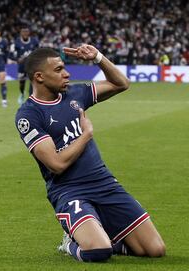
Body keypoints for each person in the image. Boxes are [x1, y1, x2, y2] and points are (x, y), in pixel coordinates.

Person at [15, 45, 165, 262]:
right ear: (39, 77)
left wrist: (98, 57)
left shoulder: (75, 94)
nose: (66, 74)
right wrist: (86, 135)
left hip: (104, 183)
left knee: (155, 250)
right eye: (58, 70)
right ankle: (70, 243)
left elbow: (121, 83)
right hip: (70, 191)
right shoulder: (29, 115)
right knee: (98, 252)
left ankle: (102, 235)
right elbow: (56, 164)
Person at [10, 25, 39, 105]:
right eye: (23, 31)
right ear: (21, 33)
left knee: (33, 81)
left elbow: (38, 51)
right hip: (22, 66)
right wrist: (17, 59)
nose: (25, 33)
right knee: (22, 82)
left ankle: (31, 98)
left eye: (26, 31)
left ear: (29, 32)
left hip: (32, 65)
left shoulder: (34, 41)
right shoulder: (16, 42)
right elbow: (11, 54)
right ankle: (22, 94)